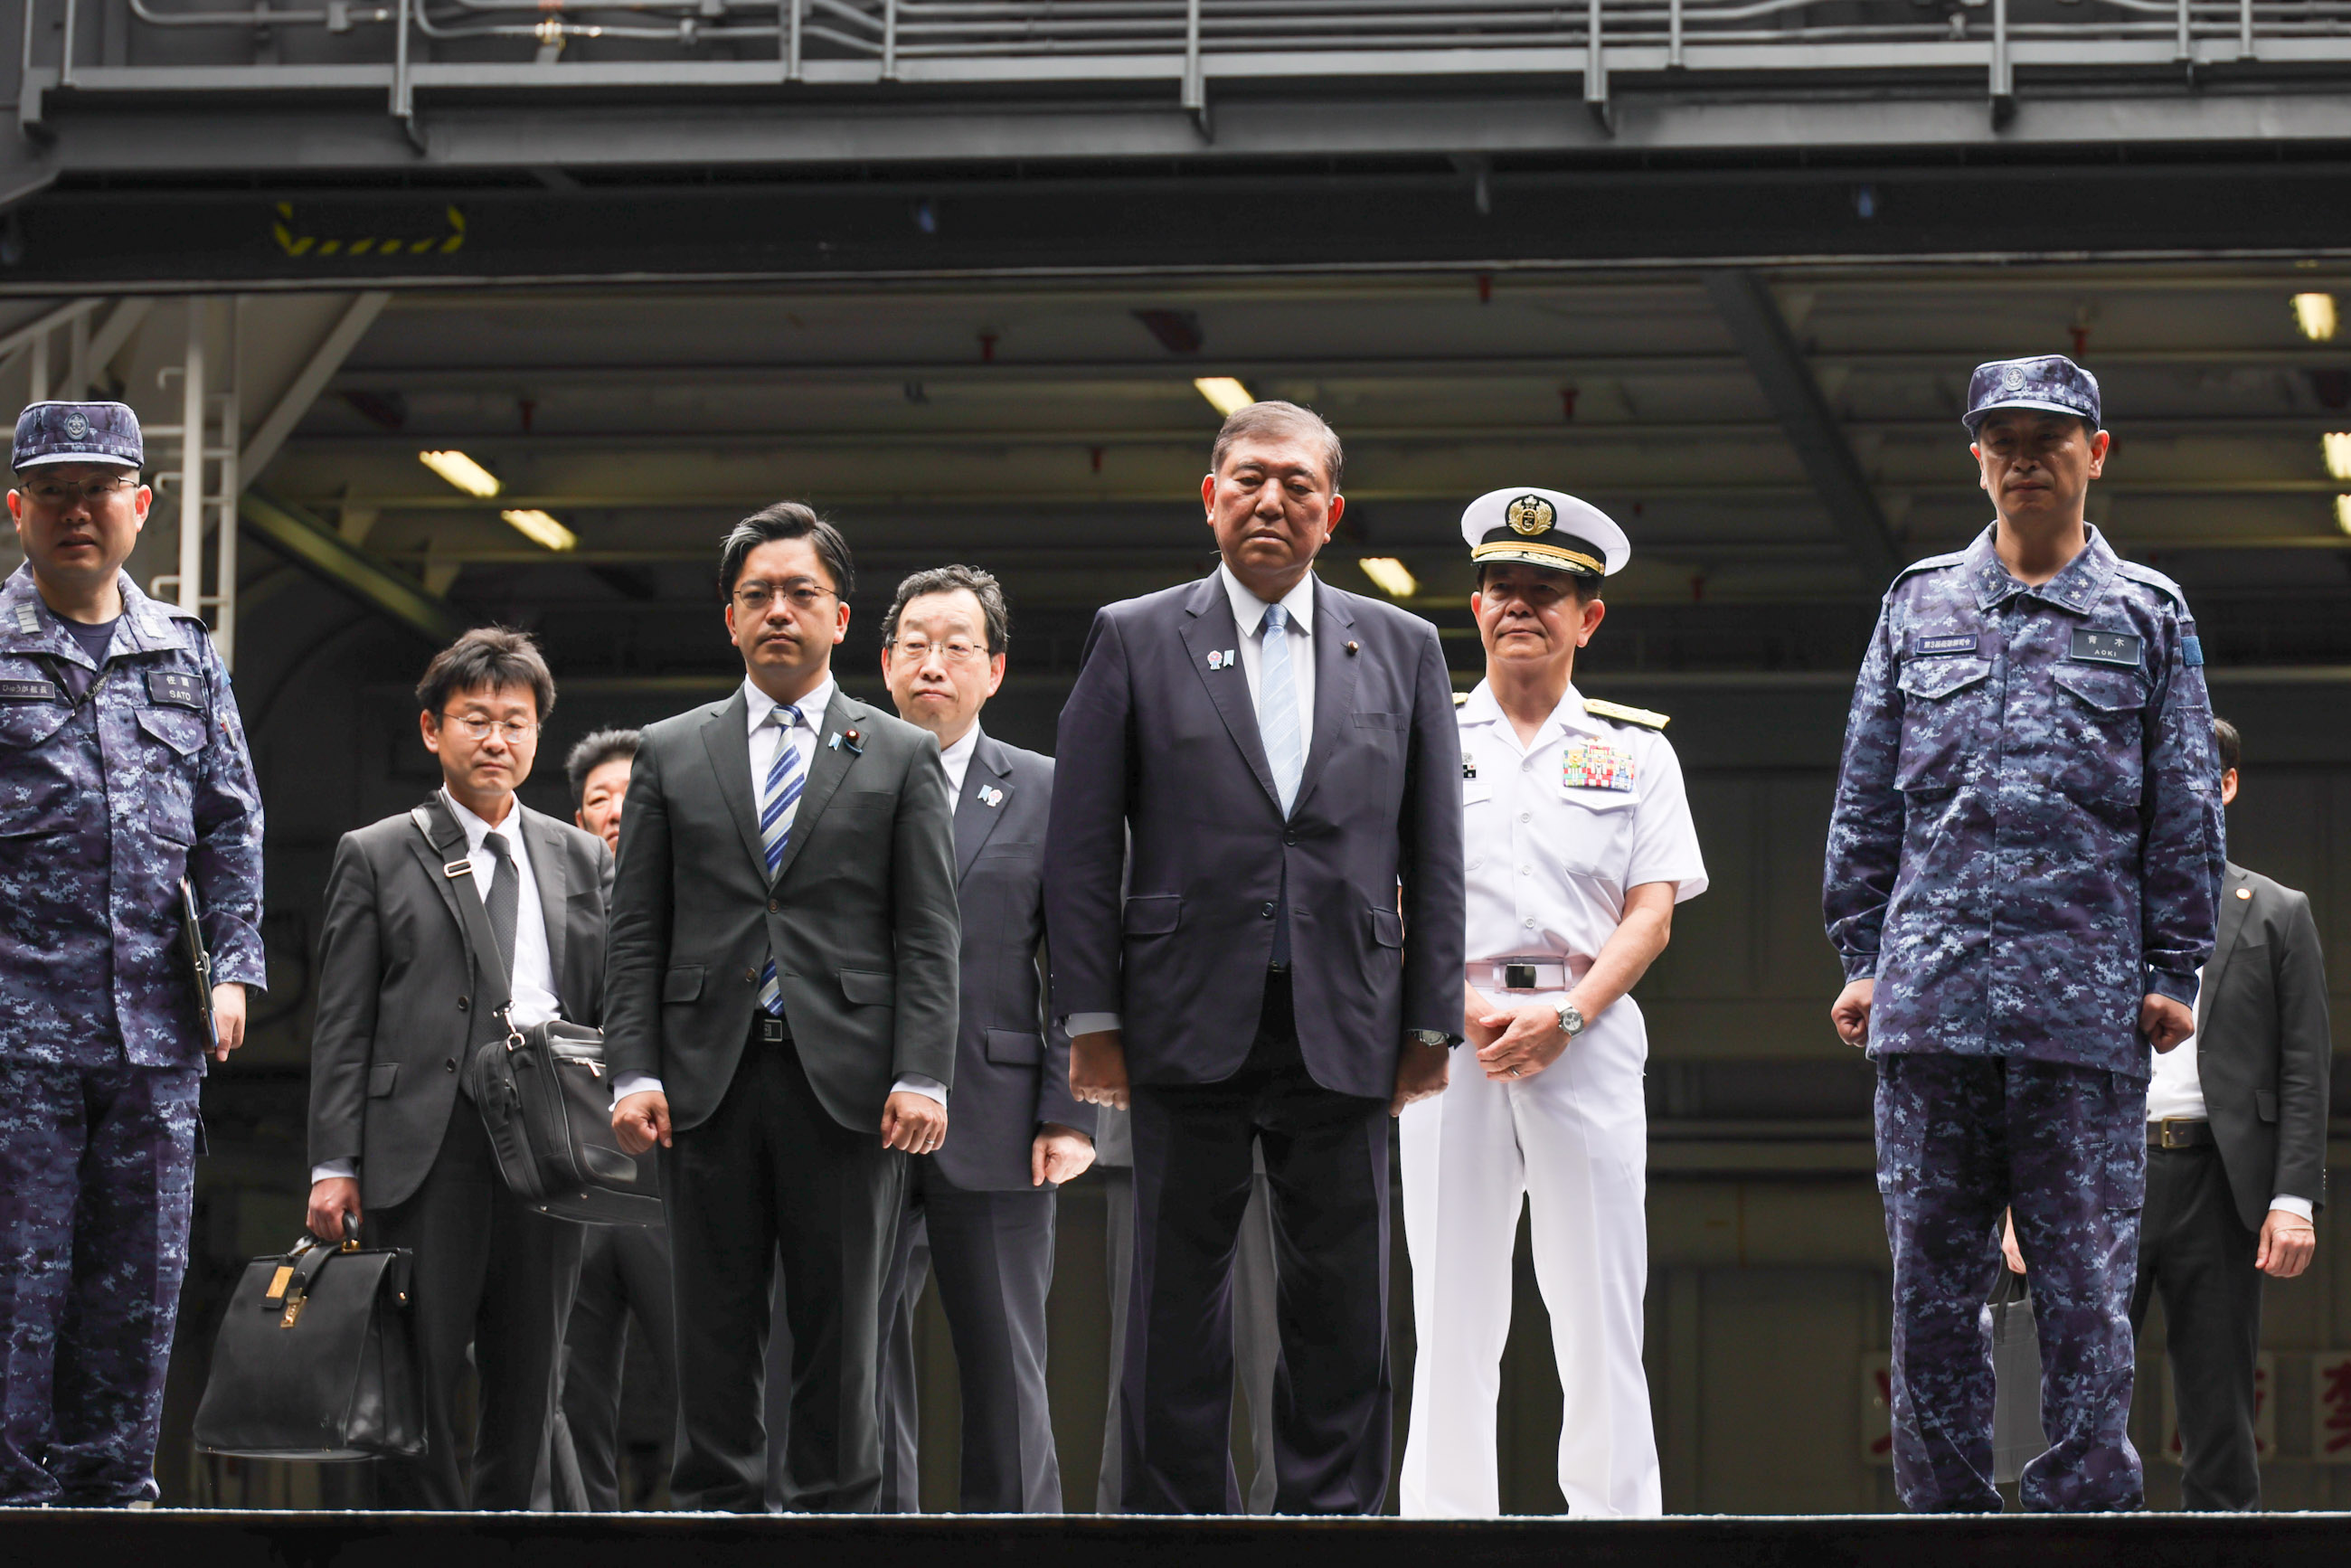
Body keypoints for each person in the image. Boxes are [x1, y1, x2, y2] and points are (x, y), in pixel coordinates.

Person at [1043, 400, 1465, 1515]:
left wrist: (1430, 1021)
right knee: (1172, 1297)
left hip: (1349, 1014)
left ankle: (1329, 1523)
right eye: (1247, 480)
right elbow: (1078, 847)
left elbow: (1435, 851)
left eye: (1295, 484)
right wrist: (1089, 1017)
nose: (1269, 500)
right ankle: (1175, 1525)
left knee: (1343, 1301)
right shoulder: (1134, 636)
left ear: (1332, 511)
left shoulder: (1404, 648)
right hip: (1179, 1013)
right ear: (1209, 498)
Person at [1823, 355, 2225, 1514]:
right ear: (1974, 459)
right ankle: (1942, 1520)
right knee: (1929, 1291)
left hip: (2080, 1015)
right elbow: (1864, 799)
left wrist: (2171, 968)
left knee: (2084, 1291)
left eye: (2047, 439)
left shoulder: (2145, 614)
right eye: (2000, 440)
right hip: (1930, 1009)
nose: (2022, 460)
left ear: (2093, 454)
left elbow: (2181, 806)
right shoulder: (1916, 607)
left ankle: (2082, 1516)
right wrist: (1861, 957)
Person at [604, 502, 958, 1514]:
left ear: (840, 618)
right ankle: (716, 1518)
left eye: (801, 593)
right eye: (756, 595)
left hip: (848, 1084)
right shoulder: (672, 750)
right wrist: (632, 1071)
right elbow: (637, 931)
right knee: (710, 1327)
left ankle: (835, 1517)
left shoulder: (897, 754)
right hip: (702, 1081)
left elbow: (928, 933)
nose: (777, 611)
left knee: (842, 1330)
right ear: (729, 619)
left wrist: (923, 1072)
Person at [1399, 488, 1706, 1519]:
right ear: (1474, 608)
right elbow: (1388, 896)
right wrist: (1456, 1004)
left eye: (1546, 590)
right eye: (1500, 587)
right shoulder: (1422, 739)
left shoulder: (1637, 750)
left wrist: (1567, 1016)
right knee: (1449, 1311)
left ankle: (1617, 1533)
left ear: (1589, 616)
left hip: (1588, 1033)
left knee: (1599, 1308)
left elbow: (1650, 914)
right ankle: (1443, 1537)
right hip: (1451, 1037)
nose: (1519, 605)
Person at [0, 401, 264, 1507]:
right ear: (17, 509)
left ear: (141, 506)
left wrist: (235, 968)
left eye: (99, 490)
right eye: (52, 491)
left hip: (154, 1036)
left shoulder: (187, 657)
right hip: (15, 1036)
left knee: (139, 1288)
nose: (77, 511)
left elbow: (230, 823)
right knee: (17, 1287)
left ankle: (112, 1509)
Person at [307, 627, 613, 1508]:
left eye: (515, 723)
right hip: (423, 1146)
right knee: (414, 1378)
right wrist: (333, 1164)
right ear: (431, 730)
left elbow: (607, 1001)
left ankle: (510, 1537)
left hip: (548, 1148)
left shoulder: (581, 856)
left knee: (531, 1380)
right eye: (475, 720)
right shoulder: (376, 852)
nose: (496, 740)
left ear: (537, 735)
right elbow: (342, 1023)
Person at [870, 565, 1094, 1513]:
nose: (934, 663)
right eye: (915, 644)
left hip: (998, 1119)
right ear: (884, 662)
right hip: (855, 1113)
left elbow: (1081, 961)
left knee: (1005, 1369)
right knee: (853, 1369)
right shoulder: (835, 780)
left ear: (994, 670)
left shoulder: (1045, 790)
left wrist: (1070, 1110)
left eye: (957, 646)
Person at [2120, 716, 2325, 1509]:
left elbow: (2302, 1065)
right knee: (2073, 1395)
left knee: (2218, 1403)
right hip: (2104, 1173)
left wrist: (2292, 1198)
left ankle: (2225, 1546)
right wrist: (2017, 1199)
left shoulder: (2276, 910)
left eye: (2193, 774)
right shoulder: (2098, 904)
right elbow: (2038, 1061)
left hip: (2221, 1175)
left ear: (2228, 784)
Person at [550, 727, 677, 1512]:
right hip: (577, 1177)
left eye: (633, 794)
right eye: (600, 798)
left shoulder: (709, 901)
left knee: (710, 1380)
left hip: (675, 1177)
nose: (617, 810)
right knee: (571, 1395)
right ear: (579, 819)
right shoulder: (547, 907)